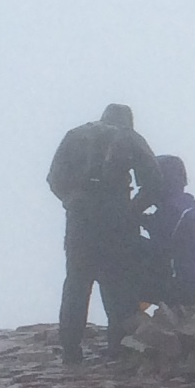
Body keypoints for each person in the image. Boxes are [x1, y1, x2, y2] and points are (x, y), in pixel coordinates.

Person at [45, 103, 159, 364]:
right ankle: (119, 348)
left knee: (77, 283)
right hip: (116, 218)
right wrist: (133, 209)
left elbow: (53, 178)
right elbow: (154, 179)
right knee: (118, 284)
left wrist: (70, 200)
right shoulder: (129, 136)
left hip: (80, 220)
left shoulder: (75, 135)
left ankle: (71, 350)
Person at [142, 154, 195, 317]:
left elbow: (158, 247)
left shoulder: (175, 210)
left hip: (183, 287)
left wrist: (135, 211)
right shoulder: (185, 204)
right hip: (194, 285)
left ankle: (128, 325)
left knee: (119, 261)